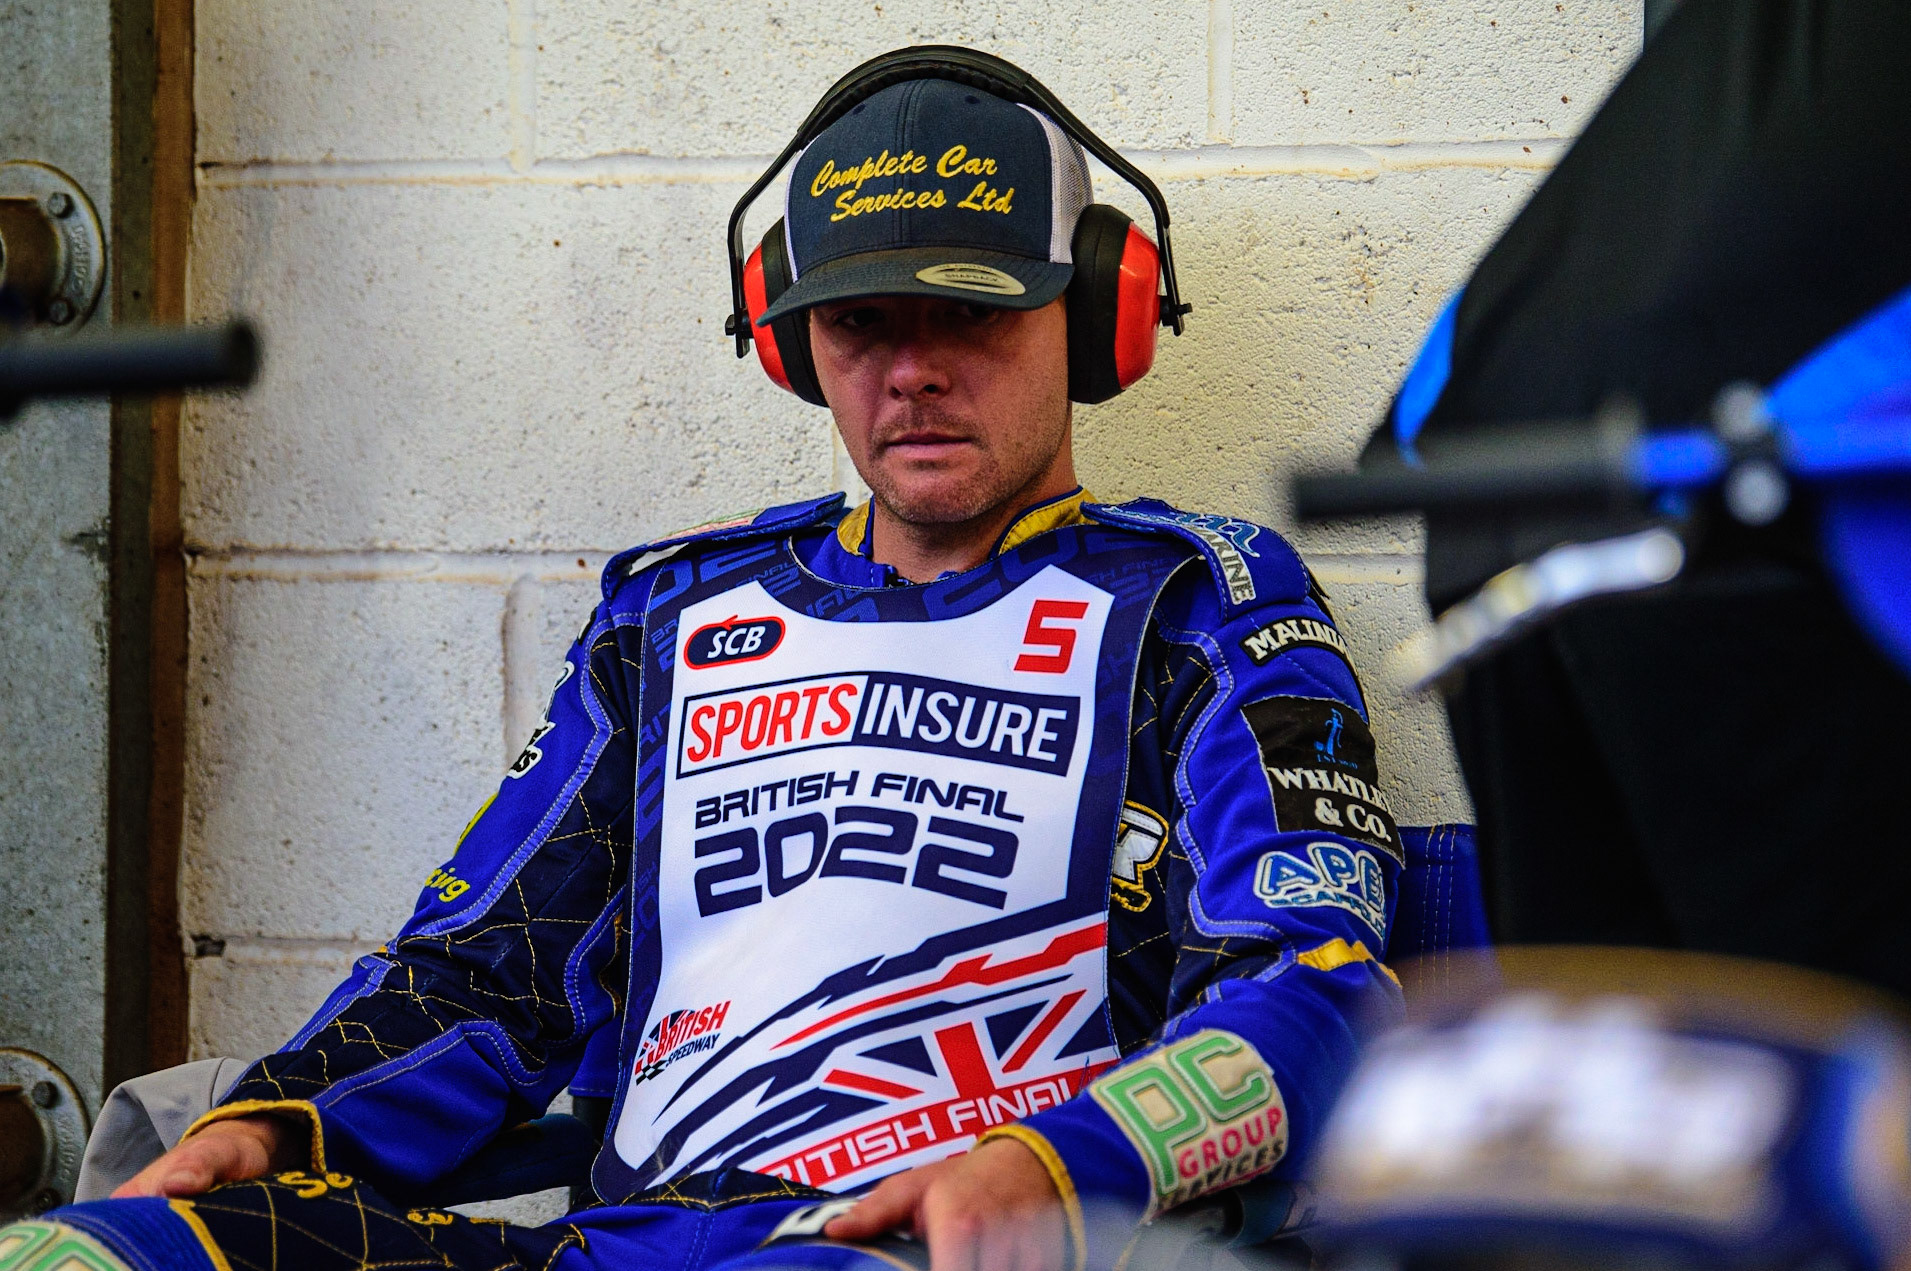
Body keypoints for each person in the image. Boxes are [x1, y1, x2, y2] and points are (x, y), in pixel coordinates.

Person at [4, 50, 1402, 1271]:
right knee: (77, 1252)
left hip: (909, 1242)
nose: (912, 370)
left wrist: (1061, 1166)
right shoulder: (668, 621)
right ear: (795, 341)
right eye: (864, 322)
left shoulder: (1199, 603)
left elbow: (1322, 985)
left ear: (1098, 317)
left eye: (968, 310)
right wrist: (282, 1118)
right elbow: (486, 975)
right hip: (605, 1245)